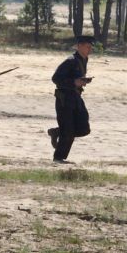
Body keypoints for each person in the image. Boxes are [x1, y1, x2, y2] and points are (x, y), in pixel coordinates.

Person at [48, 35, 94, 163]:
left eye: (90, 47)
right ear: (79, 46)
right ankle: (59, 157)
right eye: (87, 47)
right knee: (68, 130)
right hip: (64, 98)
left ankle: (57, 132)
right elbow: (55, 78)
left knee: (84, 128)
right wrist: (74, 82)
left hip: (76, 96)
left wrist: (82, 81)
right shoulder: (70, 61)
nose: (90, 49)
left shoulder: (84, 59)